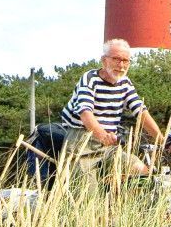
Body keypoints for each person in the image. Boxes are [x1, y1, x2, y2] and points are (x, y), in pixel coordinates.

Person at [59, 38, 165, 176]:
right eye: (116, 59)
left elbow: (140, 111)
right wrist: (102, 136)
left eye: (125, 61)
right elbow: (85, 113)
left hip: (109, 144)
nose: (121, 65)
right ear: (104, 60)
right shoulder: (90, 79)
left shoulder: (125, 83)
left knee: (142, 171)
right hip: (82, 141)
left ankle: (118, 197)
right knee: (89, 194)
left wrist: (162, 140)